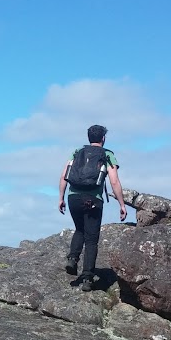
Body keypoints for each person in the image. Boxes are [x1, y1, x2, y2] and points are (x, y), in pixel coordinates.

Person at [58, 124, 127, 292]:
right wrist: (122, 204)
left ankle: (73, 258)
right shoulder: (107, 154)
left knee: (79, 229)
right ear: (103, 138)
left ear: (89, 137)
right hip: (93, 199)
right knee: (91, 239)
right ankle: (87, 278)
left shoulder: (77, 152)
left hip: (73, 197)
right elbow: (114, 181)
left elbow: (64, 176)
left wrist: (61, 198)